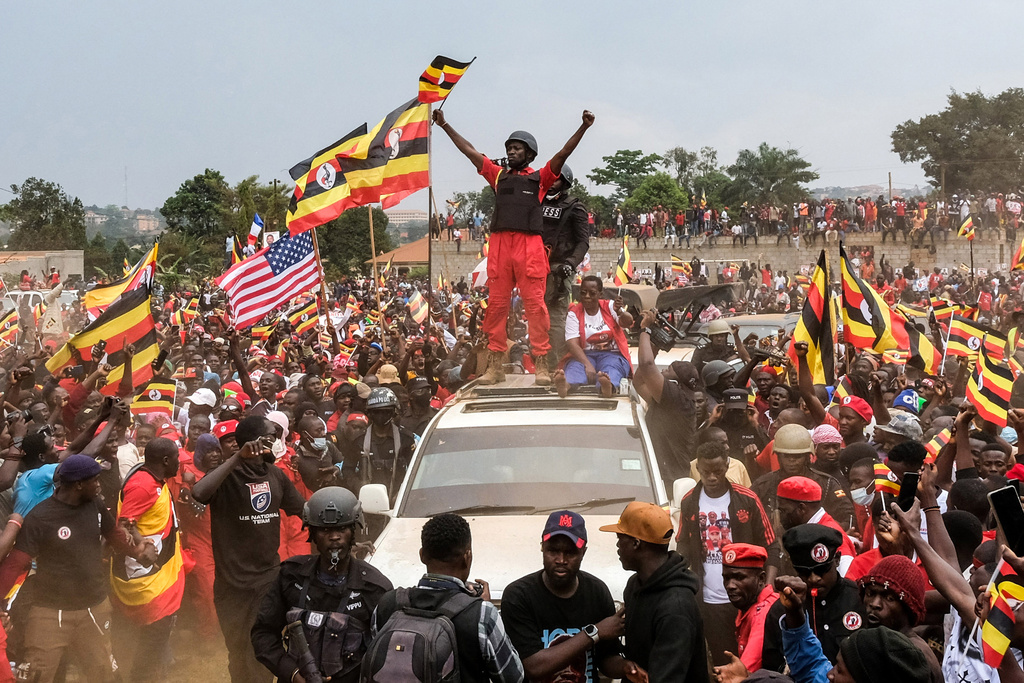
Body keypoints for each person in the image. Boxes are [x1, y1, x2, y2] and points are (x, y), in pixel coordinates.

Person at [432, 107, 595, 386]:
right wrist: (445, 125)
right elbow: (469, 151)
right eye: (509, 147)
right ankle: (495, 366)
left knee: (536, 307)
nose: (511, 151)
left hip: (529, 246)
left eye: (517, 148)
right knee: (496, 306)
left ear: (530, 154)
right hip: (500, 245)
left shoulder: (540, 178)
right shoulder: (497, 176)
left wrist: (583, 128)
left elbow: (562, 154)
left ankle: (542, 365)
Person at [0, 454, 158, 682]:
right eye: (95, 480)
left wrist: (137, 552)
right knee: (36, 675)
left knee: (104, 672)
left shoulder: (95, 504)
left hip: (94, 606)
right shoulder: (41, 517)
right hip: (50, 611)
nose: (99, 485)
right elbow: (16, 563)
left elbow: (113, 534)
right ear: (78, 485)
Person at [191, 415, 307, 683]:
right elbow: (199, 492)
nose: (277, 440)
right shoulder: (226, 476)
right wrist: (236, 458)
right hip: (231, 585)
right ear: (254, 440)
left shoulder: (276, 475)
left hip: (266, 580)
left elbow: (303, 510)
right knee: (237, 652)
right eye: (271, 435)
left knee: (261, 651)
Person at [252, 487, 392, 683]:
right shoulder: (291, 577)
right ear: (312, 533)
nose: (334, 537)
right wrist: (292, 674)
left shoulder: (374, 588)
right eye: (325, 530)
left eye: (342, 529)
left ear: (353, 531)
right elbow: (263, 634)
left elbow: (388, 653)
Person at [369, 513, 524, 682]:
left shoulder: (388, 603)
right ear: (467, 557)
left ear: (421, 555)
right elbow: (514, 677)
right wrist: (482, 607)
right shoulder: (482, 614)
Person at [500, 510, 646, 683]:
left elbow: (605, 660)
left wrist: (625, 667)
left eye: (570, 553)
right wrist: (595, 632)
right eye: (553, 550)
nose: (561, 560)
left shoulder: (597, 592)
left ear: (583, 552)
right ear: (542, 547)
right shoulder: (519, 596)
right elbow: (533, 667)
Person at [676, 441, 777, 665]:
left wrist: (766, 589)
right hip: (711, 600)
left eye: (718, 471)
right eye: (705, 472)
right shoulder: (689, 502)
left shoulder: (747, 499)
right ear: (697, 469)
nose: (712, 477)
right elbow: (682, 545)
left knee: (754, 661)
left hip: (749, 598)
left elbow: (771, 545)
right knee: (724, 662)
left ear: (727, 466)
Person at [600, 501, 709, 682]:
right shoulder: (635, 585)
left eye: (620, 538)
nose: (618, 545)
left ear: (636, 543)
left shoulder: (676, 607)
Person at [109, 437, 186, 681]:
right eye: (176, 459)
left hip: (158, 571)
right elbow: (124, 525)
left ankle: (152, 670)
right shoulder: (143, 485)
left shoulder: (154, 479)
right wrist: (141, 546)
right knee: (153, 631)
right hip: (145, 576)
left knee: (157, 631)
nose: (179, 465)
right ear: (165, 460)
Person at [774, 576, 932, 683]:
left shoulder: (921, 657)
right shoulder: (868, 653)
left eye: (840, 670)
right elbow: (812, 667)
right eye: (870, 594)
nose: (829, 674)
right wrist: (795, 612)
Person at [762, 525, 865, 671]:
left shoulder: (861, 599)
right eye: (804, 572)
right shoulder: (782, 610)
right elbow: (771, 668)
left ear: (837, 560)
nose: (813, 579)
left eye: (821, 570)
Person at [632, 315, 698, 486]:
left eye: (667, 370)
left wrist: (645, 330)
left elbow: (647, 366)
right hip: (658, 476)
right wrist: (655, 347)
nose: (661, 373)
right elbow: (639, 382)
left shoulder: (677, 398)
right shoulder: (669, 402)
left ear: (677, 382)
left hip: (671, 480)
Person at [541, 164, 590, 363]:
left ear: (565, 181)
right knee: (536, 317)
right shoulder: (537, 203)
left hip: (559, 269)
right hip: (535, 267)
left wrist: (570, 264)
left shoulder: (575, 207)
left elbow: (583, 242)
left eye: (557, 179)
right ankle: (541, 361)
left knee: (555, 319)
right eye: (550, 179)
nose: (552, 183)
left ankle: (556, 364)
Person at [557, 275, 633, 397]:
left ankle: (607, 387)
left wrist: (619, 312)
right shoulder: (574, 313)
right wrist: (587, 364)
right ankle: (566, 385)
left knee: (612, 368)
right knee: (575, 367)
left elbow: (628, 322)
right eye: (583, 293)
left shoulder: (611, 306)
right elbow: (572, 344)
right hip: (584, 355)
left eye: (592, 293)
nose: (587, 296)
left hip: (611, 354)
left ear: (600, 294)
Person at [718, 542, 778, 673]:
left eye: (739, 577)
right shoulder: (749, 602)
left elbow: (744, 672)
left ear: (761, 579)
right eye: (726, 578)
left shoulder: (763, 613)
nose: (730, 585)